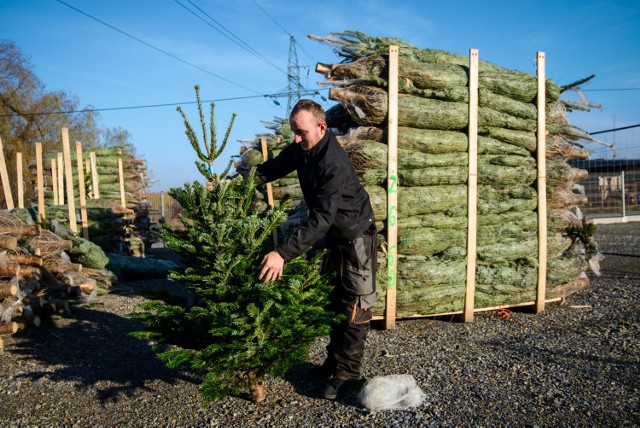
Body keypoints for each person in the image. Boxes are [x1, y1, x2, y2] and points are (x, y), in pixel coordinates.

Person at [256, 99, 378, 400]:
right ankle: (332, 363)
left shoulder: (332, 163)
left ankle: (347, 375)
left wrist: (282, 253)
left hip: (356, 237)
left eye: (301, 132)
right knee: (335, 301)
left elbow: (321, 219)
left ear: (321, 127)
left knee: (354, 307)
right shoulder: (302, 149)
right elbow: (270, 169)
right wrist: (231, 183)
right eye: (293, 132)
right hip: (335, 237)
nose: (296, 139)